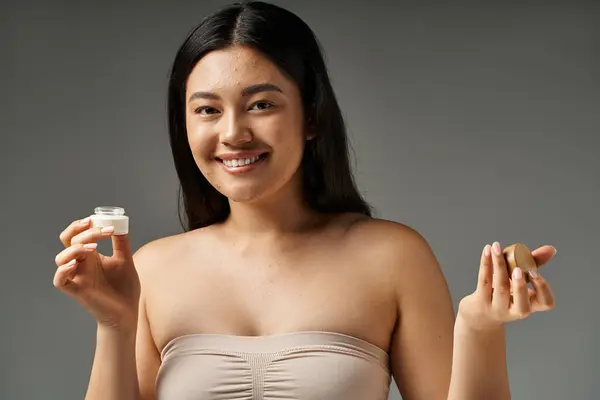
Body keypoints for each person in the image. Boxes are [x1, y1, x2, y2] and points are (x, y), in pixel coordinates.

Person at [53, 1, 557, 399]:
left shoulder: (392, 256)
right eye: (207, 109)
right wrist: (115, 325)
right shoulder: (154, 268)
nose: (233, 133)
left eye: (262, 105)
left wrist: (479, 329)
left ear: (312, 117)